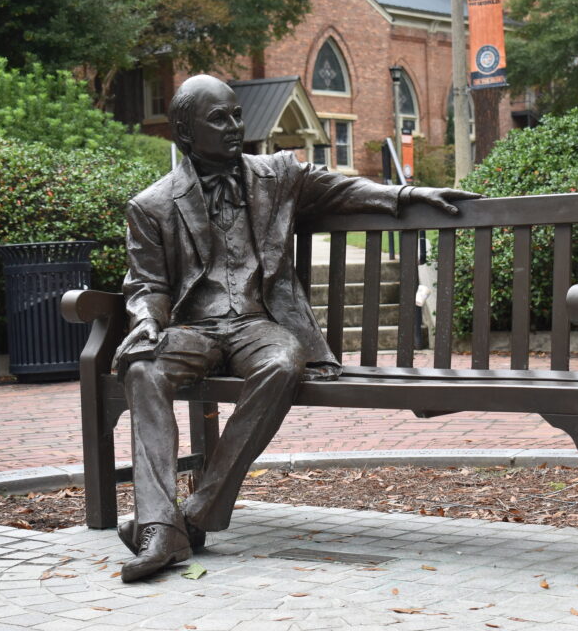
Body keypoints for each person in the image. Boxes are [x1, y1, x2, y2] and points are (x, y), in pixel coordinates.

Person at [114, 74, 478, 582]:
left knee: (283, 363)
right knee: (143, 370)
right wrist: (147, 323)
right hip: (194, 327)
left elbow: (346, 186)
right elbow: (147, 285)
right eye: (218, 119)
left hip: (259, 323)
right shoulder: (151, 205)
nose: (235, 125)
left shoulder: (278, 174)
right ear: (184, 132)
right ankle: (159, 526)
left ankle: (195, 514)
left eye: (237, 114)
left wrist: (408, 192)